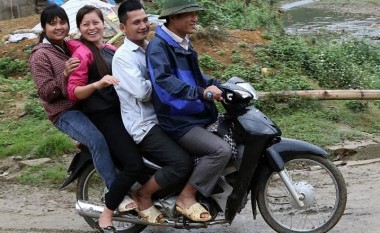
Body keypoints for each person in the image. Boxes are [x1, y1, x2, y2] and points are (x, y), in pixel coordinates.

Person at [146, 0, 232, 222]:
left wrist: (220, 83)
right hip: (177, 119)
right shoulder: (159, 47)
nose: (195, 18)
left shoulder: (183, 42)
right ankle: (186, 196)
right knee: (220, 150)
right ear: (172, 18)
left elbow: (196, 76)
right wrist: (201, 93)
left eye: (195, 13)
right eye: (188, 14)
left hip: (194, 113)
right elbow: (165, 82)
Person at [112, 0, 193, 223]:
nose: (143, 25)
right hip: (144, 124)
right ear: (122, 28)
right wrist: (163, 82)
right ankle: (142, 195)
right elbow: (143, 92)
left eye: (145, 20)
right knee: (181, 163)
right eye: (136, 22)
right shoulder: (123, 57)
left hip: (165, 117)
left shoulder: (151, 47)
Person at [28, 4, 118, 196]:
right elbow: (45, 92)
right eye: (52, 24)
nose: (59, 27)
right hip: (65, 112)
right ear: (44, 27)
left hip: (86, 105)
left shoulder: (68, 45)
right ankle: (116, 192)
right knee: (97, 141)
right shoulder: (40, 55)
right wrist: (65, 74)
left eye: (63, 22)